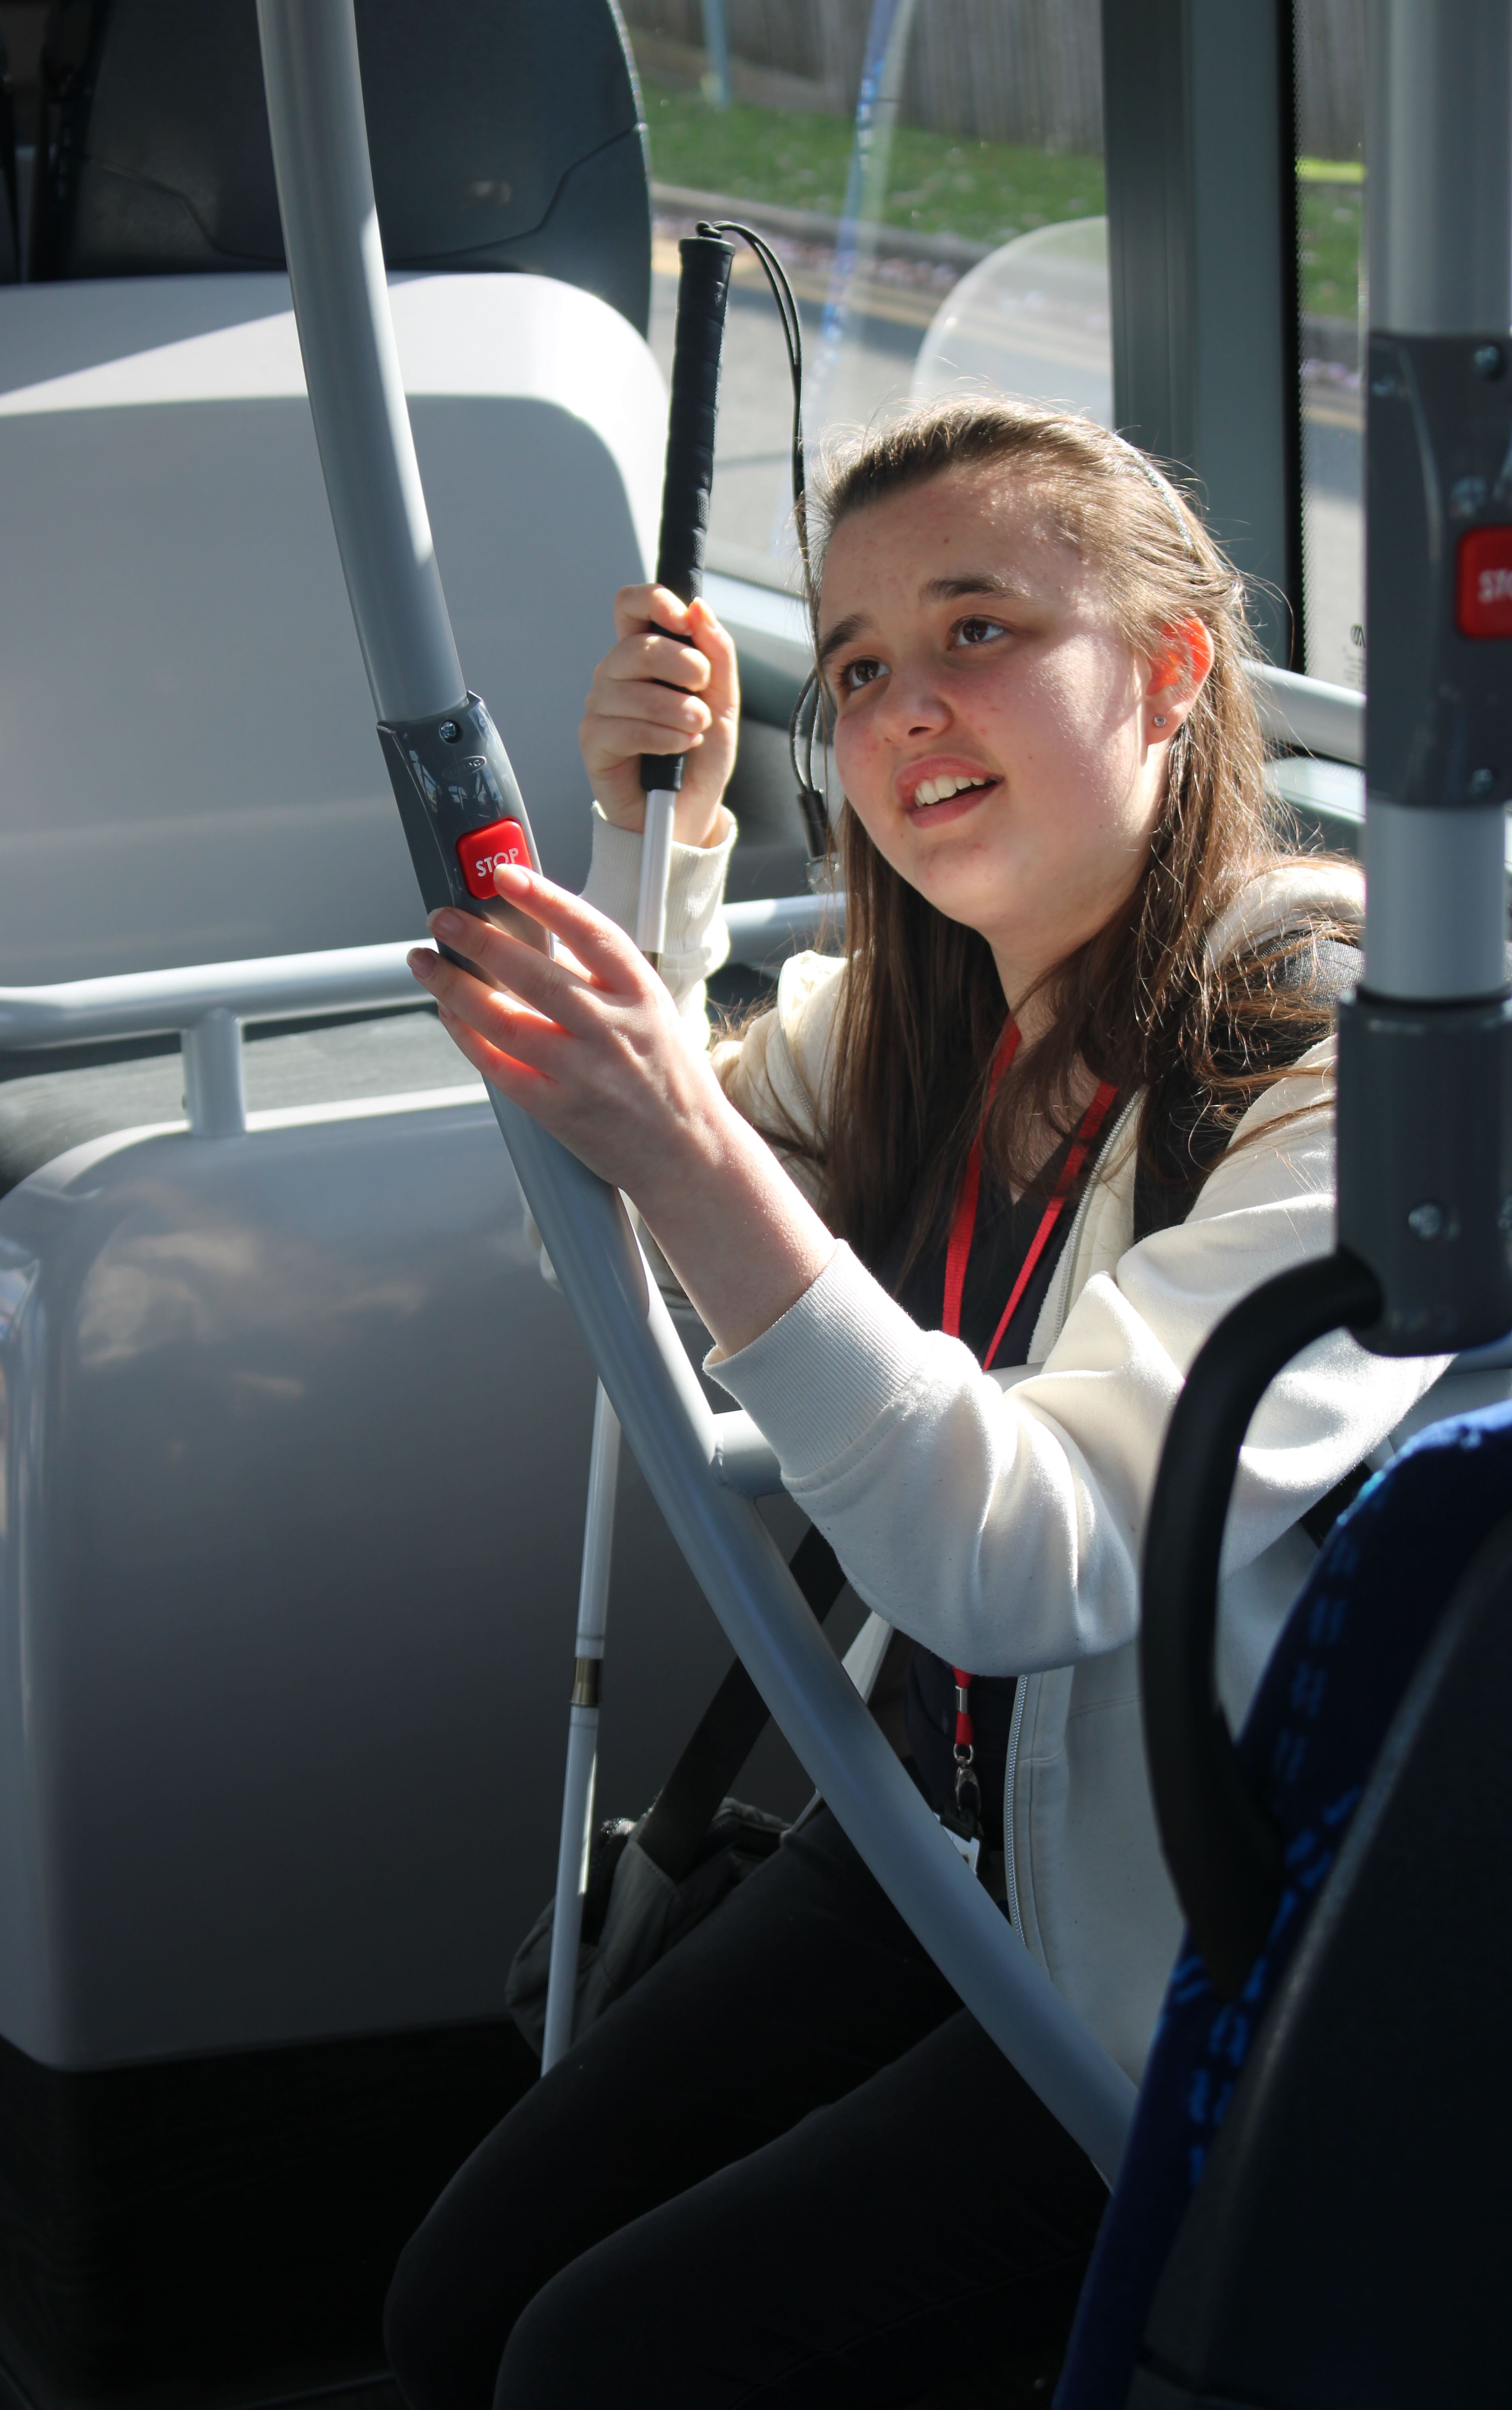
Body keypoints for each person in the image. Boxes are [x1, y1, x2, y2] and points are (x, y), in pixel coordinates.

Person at [384, 399, 1446, 2409]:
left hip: (1166, 1964)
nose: (902, 709)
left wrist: (688, 1134)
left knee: (601, 2369)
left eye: (978, 632)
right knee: (459, 2303)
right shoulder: (927, 1011)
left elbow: (1026, 1553)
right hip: (929, 1837)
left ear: (1168, 665)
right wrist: (663, 845)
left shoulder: (1340, 1069)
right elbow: (619, 1262)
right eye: (857, 664)